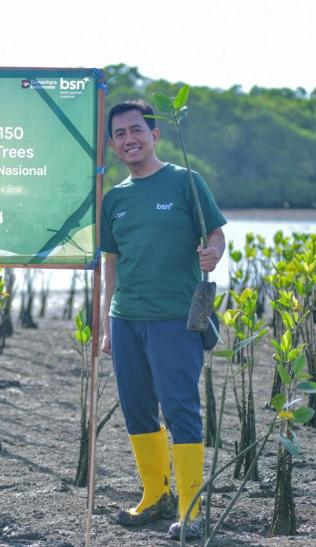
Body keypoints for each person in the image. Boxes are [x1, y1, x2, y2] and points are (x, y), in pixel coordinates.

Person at [100, 99, 226, 539]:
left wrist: (213, 253)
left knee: (180, 408)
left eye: (137, 130)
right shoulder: (114, 198)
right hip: (125, 318)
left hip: (176, 317)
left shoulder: (185, 182)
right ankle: (154, 496)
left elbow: (216, 232)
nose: (129, 139)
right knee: (137, 408)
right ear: (113, 144)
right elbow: (111, 263)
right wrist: (105, 323)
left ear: (154, 135)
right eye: (120, 134)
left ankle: (191, 509)